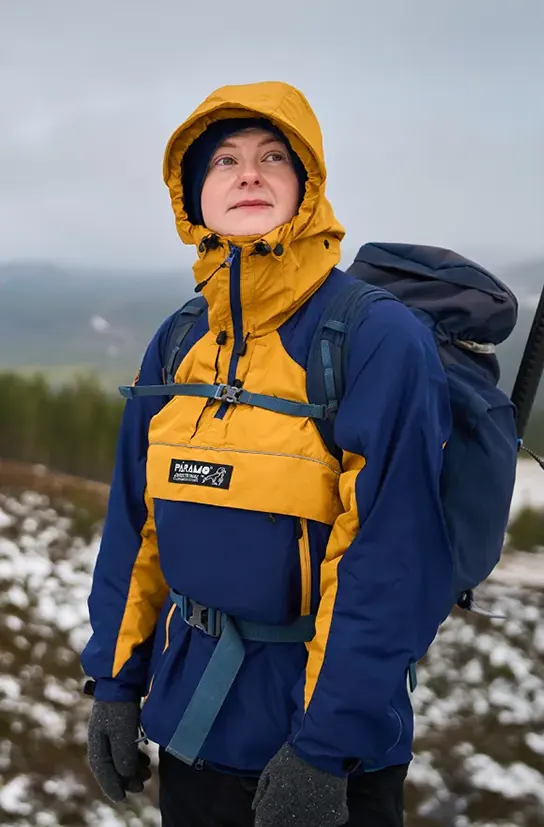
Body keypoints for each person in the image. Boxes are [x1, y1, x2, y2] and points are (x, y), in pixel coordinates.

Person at [79, 81, 452, 826]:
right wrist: (115, 685)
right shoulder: (178, 341)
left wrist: (325, 748)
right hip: (192, 727)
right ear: (193, 194)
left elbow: (389, 556)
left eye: (273, 156)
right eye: (224, 160)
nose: (248, 174)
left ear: (307, 184)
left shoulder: (375, 338)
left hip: (323, 752)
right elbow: (137, 524)